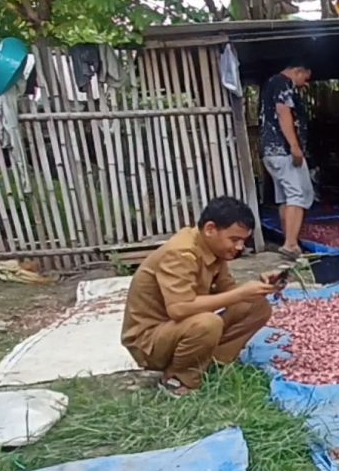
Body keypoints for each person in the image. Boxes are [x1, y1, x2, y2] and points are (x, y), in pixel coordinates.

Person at [121, 197, 281, 398]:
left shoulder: (213, 249)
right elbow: (179, 309)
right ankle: (177, 380)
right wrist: (240, 293)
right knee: (207, 323)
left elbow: (229, 290)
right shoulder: (181, 253)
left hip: (176, 330)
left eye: (243, 241)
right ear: (210, 229)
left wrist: (260, 287)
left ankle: (212, 364)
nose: (240, 247)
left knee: (257, 306)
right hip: (149, 341)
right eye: (234, 239)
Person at [260, 62, 314, 261]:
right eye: (305, 78)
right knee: (297, 195)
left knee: (284, 197)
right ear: (297, 71)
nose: (304, 83)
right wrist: (294, 145)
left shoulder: (271, 83)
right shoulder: (283, 83)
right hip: (282, 150)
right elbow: (284, 113)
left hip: (270, 151)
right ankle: (290, 244)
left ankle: (289, 241)